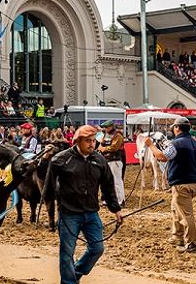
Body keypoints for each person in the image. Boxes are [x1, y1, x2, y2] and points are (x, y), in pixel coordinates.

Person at [50, 125, 124, 283]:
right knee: (67, 252)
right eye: (88, 141)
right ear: (77, 141)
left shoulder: (99, 160)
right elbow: (46, 179)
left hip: (91, 213)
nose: (92, 144)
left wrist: (116, 209)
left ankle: (75, 273)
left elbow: (108, 186)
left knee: (97, 248)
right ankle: (69, 282)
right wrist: (44, 161)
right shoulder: (61, 159)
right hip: (69, 214)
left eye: (93, 141)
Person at [144, 117, 196, 253]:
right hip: (194, 183)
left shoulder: (176, 144)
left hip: (181, 183)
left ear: (177, 128)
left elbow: (163, 157)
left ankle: (192, 242)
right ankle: (177, 236)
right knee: (176, 209)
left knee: (186, 214)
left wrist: (151, 145)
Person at [97, 120, 125, 206]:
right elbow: (101, 144)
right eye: (104, 127)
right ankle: (108, 200)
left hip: (115, 160)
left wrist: (103, 149)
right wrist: (101, 148)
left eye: (106, 127)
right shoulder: (106, 135)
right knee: (107, 181)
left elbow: (114, 147)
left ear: (111, 127)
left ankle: (120, 200)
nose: (105, 129)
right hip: (107, 160)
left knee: (117, 181)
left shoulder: (118, 135)